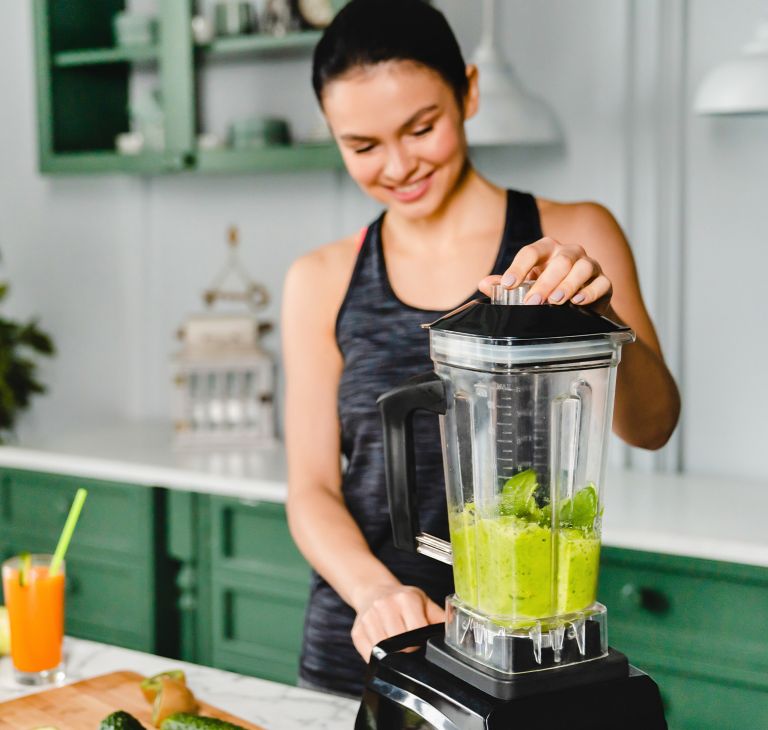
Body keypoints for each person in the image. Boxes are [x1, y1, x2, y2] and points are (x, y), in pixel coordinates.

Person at [281, 0, 680, 698]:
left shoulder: (573, 236)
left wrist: (600, 314)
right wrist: (378, 594)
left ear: (468, 91)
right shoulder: (321, 279)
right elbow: (311, 487)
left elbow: (652, 427)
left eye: (421, 127)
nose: (400, 165)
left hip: (528, 654)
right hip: (370, 649)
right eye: (363, 146)